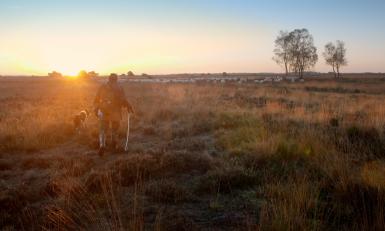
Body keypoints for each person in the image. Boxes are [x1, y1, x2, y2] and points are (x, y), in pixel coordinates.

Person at [94, 73, 134, 156]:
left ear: (108, 79)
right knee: (115, 129)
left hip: (104, 111)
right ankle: (114, 144)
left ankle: (102, 145)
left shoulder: (102, 86)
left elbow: (96, 99)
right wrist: (129, 107)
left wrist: (97, 109)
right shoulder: (119, 87)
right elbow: (123, 100)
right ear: (116, 79)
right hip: (116, 111)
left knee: (103, 130)